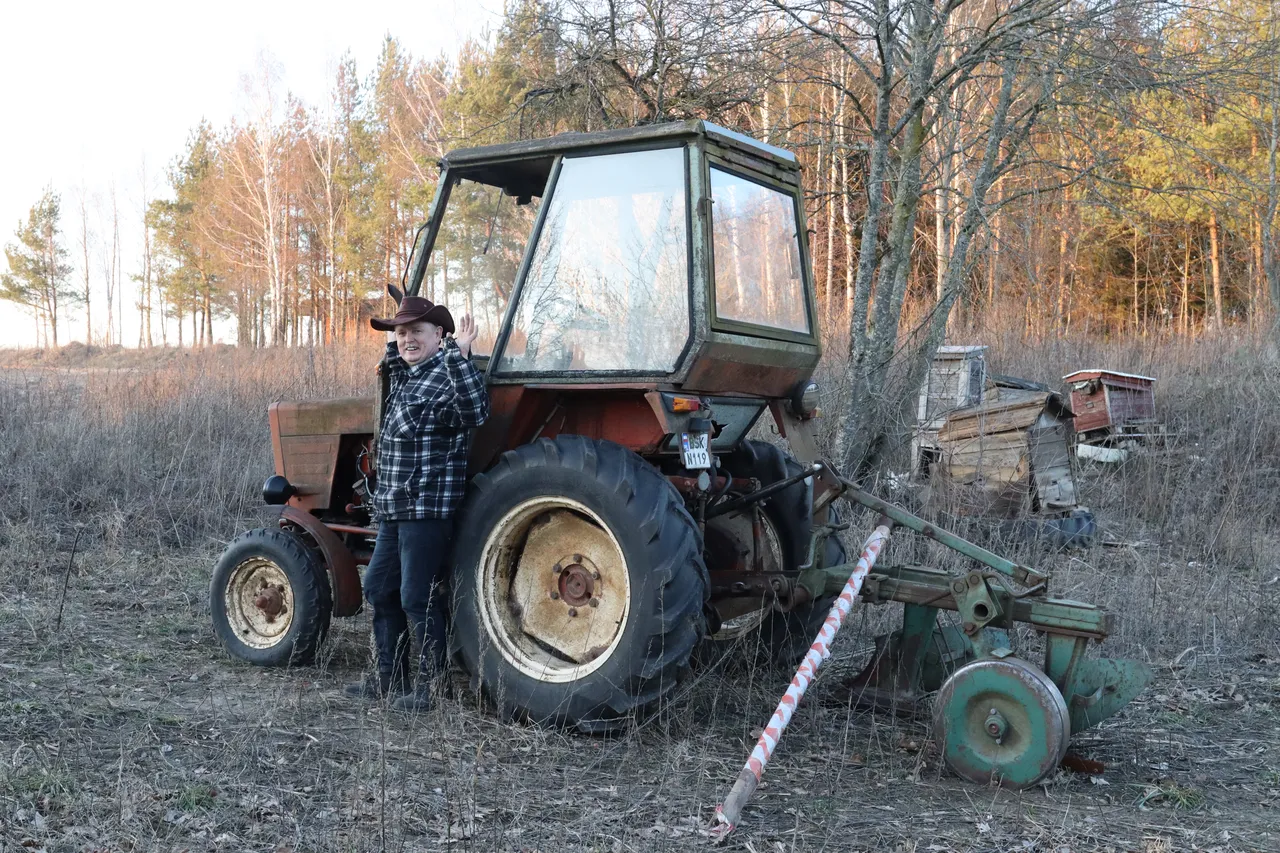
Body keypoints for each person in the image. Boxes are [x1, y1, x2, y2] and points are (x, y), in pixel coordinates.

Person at [344, 295, 489, 712]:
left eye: (417, 332)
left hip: (426, 508)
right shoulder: (409, 375)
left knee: (416, 596)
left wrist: (458, 354)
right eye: (401, 333)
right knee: (377, 587)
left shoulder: (447, 375)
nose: (407, 340)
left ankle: (432, 688)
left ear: (439, 335)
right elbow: (393, 359)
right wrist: (397, 337)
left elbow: (475, 410)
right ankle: (388, 678)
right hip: (394, 507)